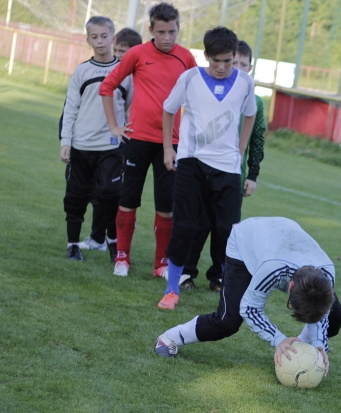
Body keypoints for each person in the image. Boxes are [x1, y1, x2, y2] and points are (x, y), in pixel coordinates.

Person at [154, 216, 341, 373]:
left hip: (285, 238)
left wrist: (318, 343)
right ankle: (169, 338)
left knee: (336, 314)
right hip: (246, 242)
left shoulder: (327, 273)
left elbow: (323, 311)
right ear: (290, 286)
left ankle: (300, 350)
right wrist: (278, 339)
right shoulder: (272, 268)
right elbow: (250, 307)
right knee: (227, 321)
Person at [156, 25, 257, 310]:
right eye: (216, 61)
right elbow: (168, 109)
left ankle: (227, 288)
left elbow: (250, 115)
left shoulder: (245, 83)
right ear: (206, 56)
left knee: (228, 230)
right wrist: (168, 147)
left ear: (234, 56)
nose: (222, 67)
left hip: (227, 169)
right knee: (185, 226)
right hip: (192, 163)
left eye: (227, 60)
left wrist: (239, 150)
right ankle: (172, 289)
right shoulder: (190, 78)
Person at [98, 2, 197, 278]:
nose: (167, 37)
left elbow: (197, 99)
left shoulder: (187, 59)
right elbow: (107, 86)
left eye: (172, 31)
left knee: (166, 207)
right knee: (128, 200)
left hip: (172, 143)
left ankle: (161, 264)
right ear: (151, 29)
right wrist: (115, 126)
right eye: (162, 31)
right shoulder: (138, 54)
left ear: (179, 29)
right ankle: (122, 258)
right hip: (137, 139)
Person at [180, 39, 267, 293]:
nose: (237, 67)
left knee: (226, 228)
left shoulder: (254, 100)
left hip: (233, 173)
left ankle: (218, 276)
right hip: (202, 168)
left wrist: (252, 174)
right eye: (233, 62)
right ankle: (186, 271)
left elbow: (257, 138)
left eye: (243, 64)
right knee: (198, 222)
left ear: (249, 67)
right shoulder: (207, 88)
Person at [59, 16, 130, 263]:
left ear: (113, 38)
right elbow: (70, 109)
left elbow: (131, 109)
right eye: (94, 36)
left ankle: (112, 242)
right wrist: (65, 141)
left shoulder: (125, 72)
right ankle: (73, 245)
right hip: (81, 145)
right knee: (76, 196)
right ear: (87, 39)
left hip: (111, 147)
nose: (100, 41)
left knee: (110, 194)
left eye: (104, 36)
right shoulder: (82, 71)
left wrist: (126, 136)